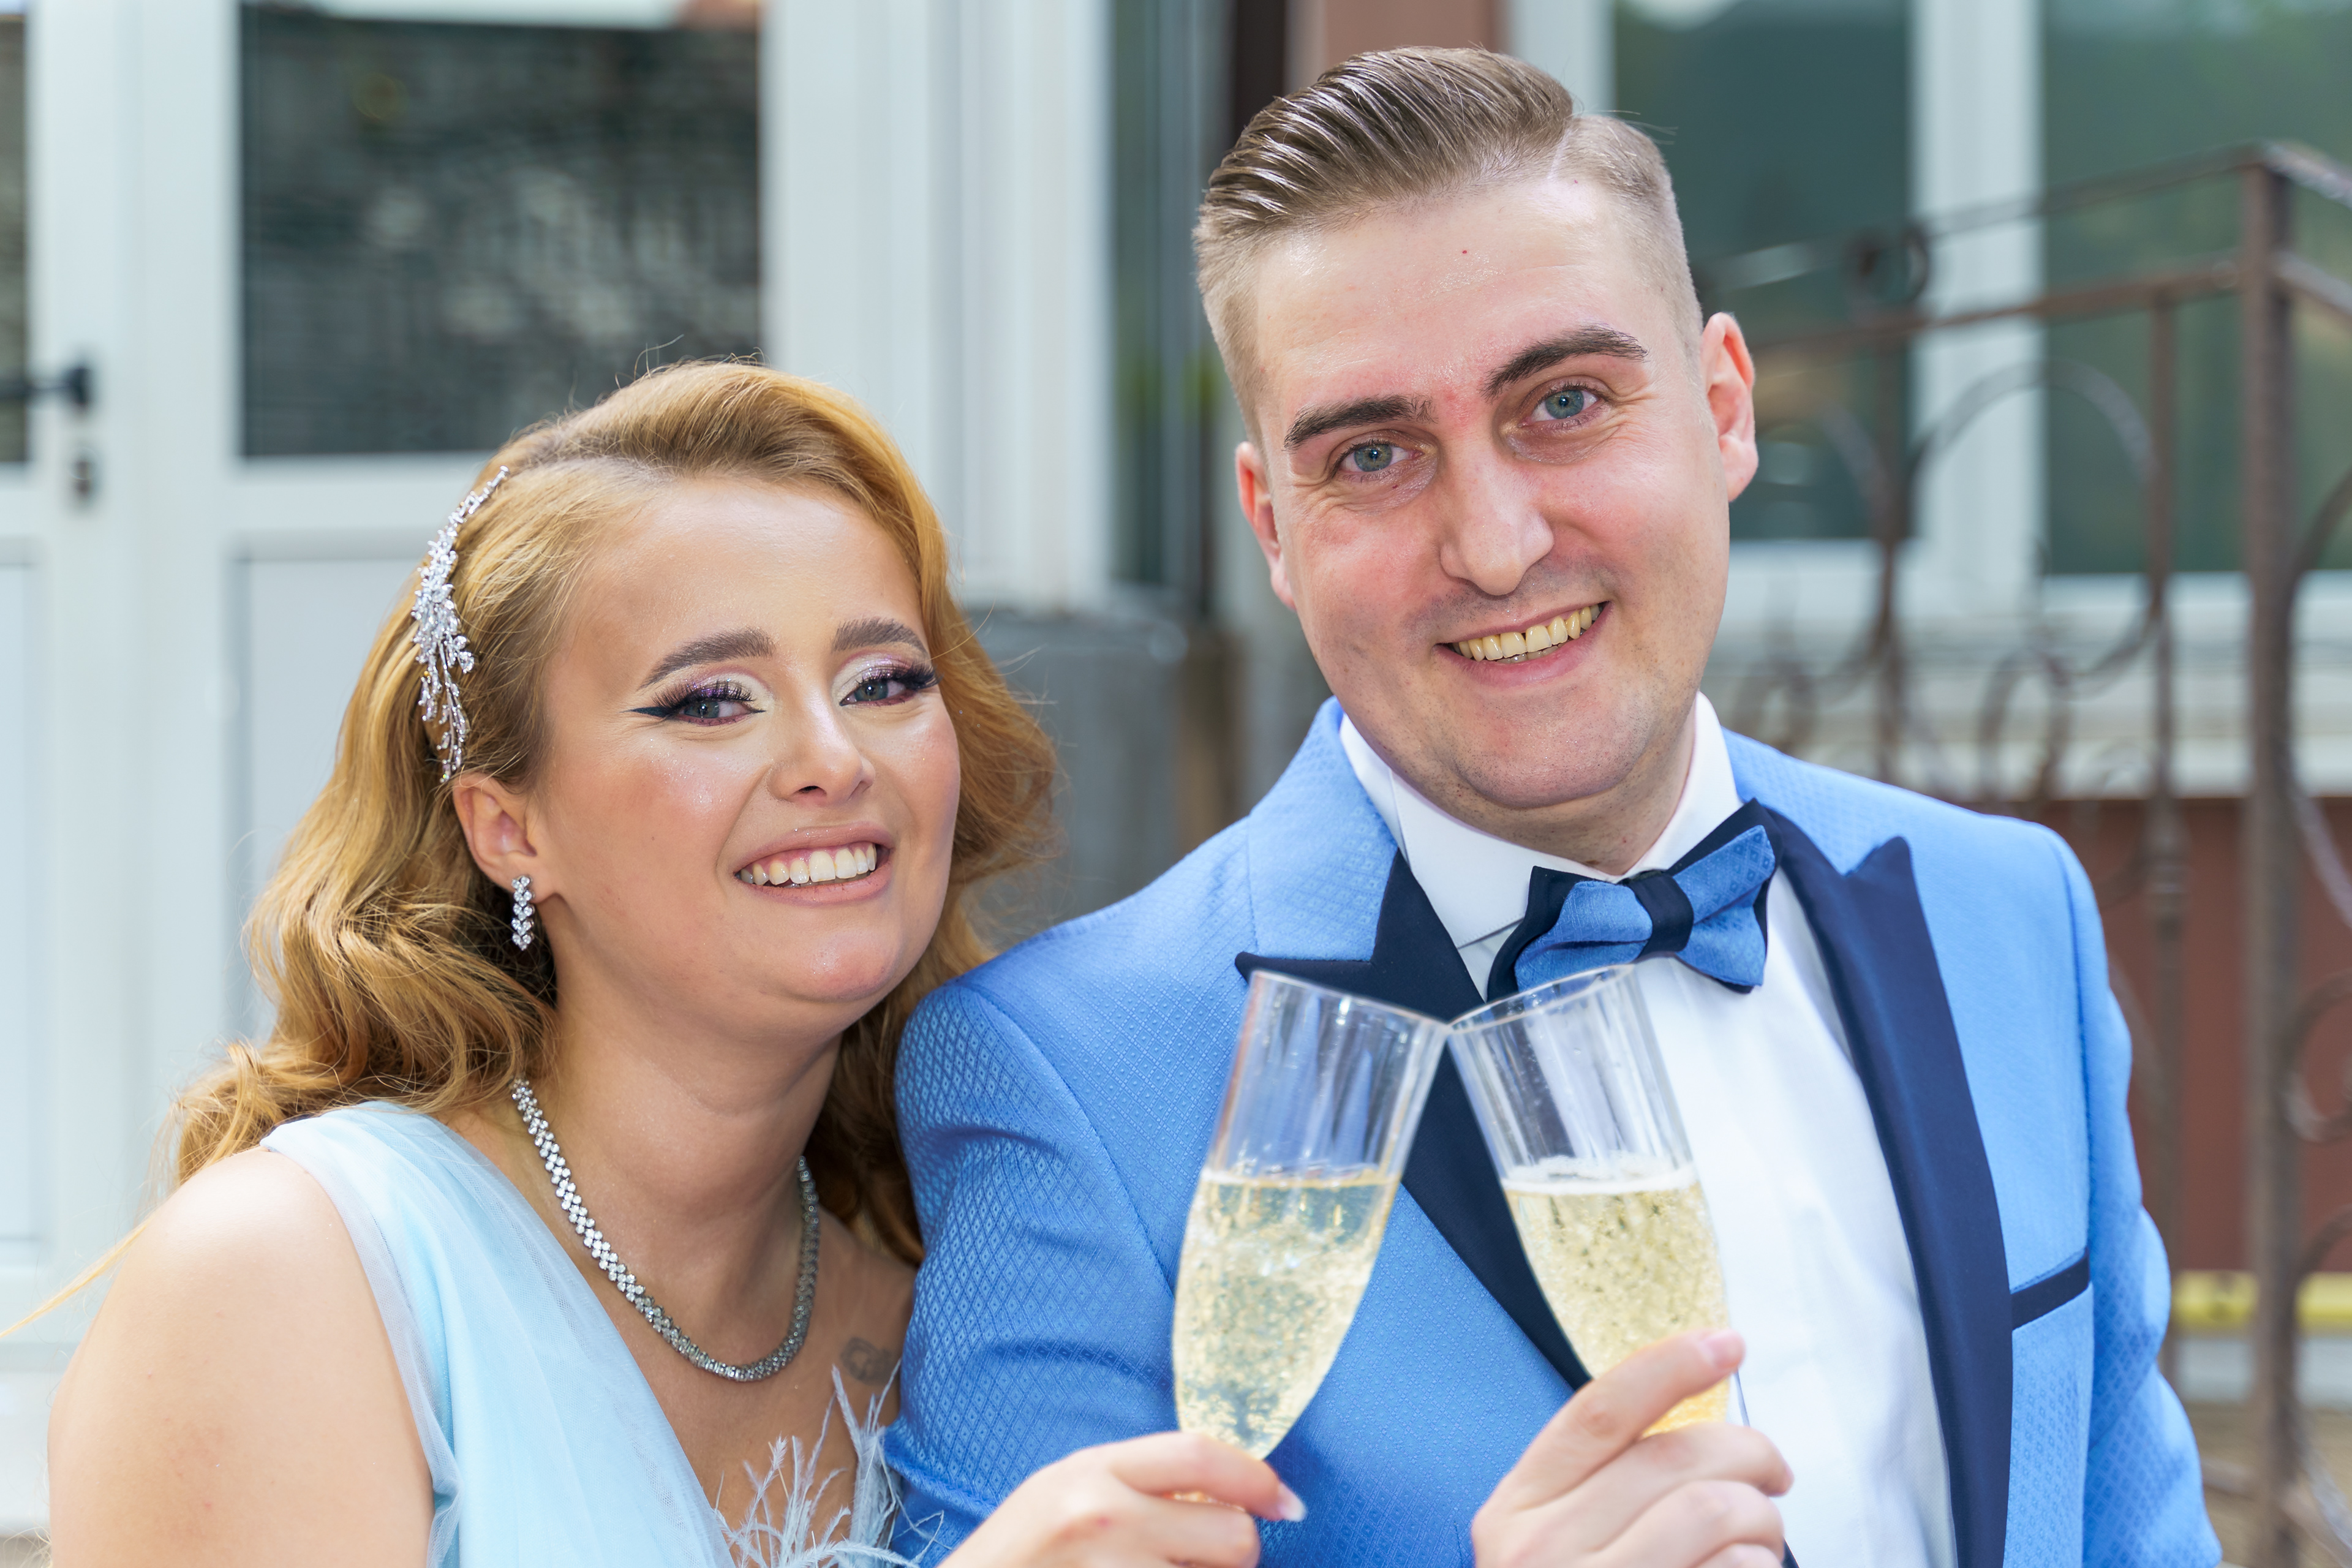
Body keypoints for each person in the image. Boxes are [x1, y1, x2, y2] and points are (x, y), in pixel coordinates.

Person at [885, 48, 2219, 1568]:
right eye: (1373, 455)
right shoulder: (1066, 1074)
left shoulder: (2008, 913)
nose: (1498, 543)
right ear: (1273, 525)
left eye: (1566, 402)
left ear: (1723, 406)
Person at [41, 362, 1309, 1567]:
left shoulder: (947, 1309)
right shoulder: (286, 1275)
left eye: (883, 680)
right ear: (509, 827)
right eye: (710, 700)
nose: (835, 759)